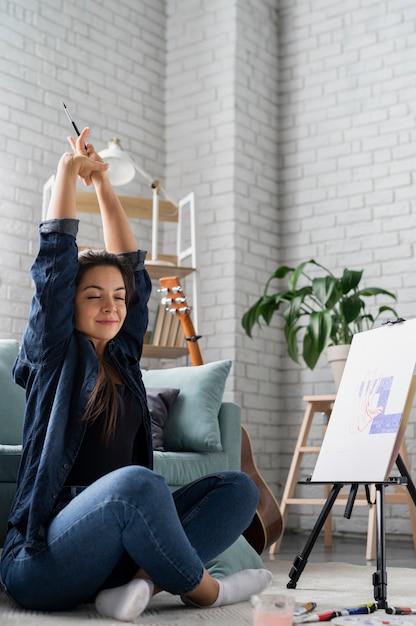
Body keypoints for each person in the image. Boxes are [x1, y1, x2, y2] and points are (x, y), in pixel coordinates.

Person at [0, 127, 272, 622]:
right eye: (93, 296)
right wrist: (67, 172)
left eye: (117, 297)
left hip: (112, 560)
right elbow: (54, 268)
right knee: (138, 483)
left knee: (238, 488)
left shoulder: (123, 359)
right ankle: (209, 591)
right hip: (40, 563)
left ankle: (141, 585)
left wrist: (103, 185)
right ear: (69, 306)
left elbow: (132, 269)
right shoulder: (53, 355)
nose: (111, 305)